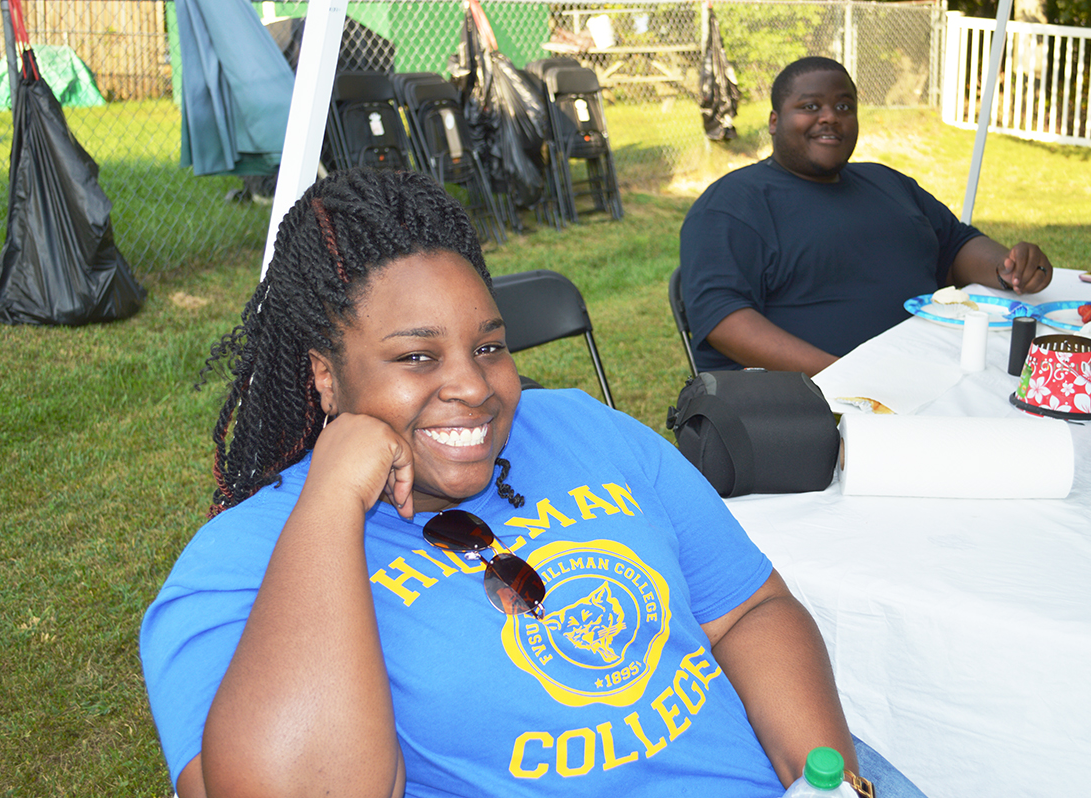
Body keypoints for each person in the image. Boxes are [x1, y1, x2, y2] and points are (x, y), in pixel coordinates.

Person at [140, 167, 928, 798]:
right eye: (417, 357)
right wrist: (333, 498)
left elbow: (749, 610)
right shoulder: (234, 568)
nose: (474, 387)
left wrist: (824, 778)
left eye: (489, 347)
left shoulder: (583, 428)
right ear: (325, 376)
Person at [680, 56, 1055, 376]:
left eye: (844, 107)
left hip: (927, 371)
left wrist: (1008, 269)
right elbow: (723, 320)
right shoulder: (733, 204)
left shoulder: (886, 182)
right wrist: (847, 374)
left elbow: (955, 246)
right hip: (807, 406)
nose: (830, 117)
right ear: (775, 121)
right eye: (810, 106)